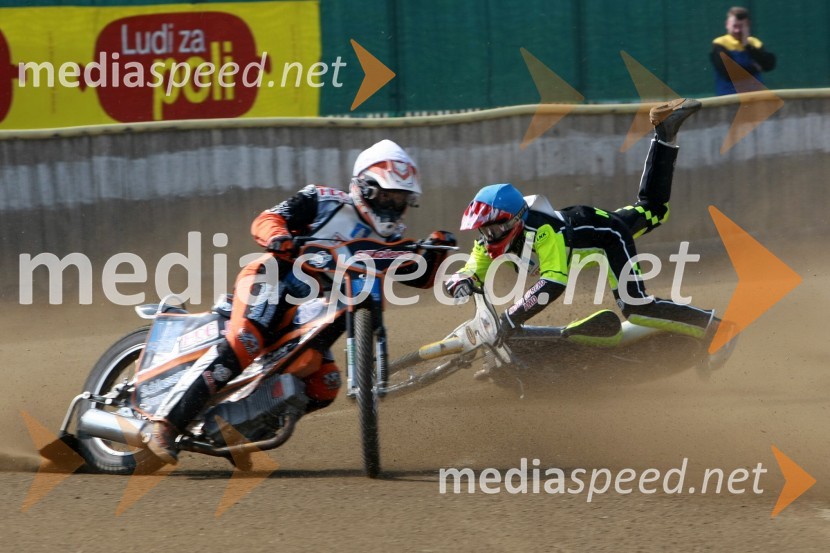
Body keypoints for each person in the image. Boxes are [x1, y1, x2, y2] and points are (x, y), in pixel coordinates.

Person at [148, 140, 456, 464]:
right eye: (387, 196)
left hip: (316, 310)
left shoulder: (391, 241)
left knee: (325, 384)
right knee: (246, 341)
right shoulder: (322, 199)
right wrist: (278, 236)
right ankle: (166, 424)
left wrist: (434, 252)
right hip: (275, 278)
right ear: (365, 188)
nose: (393, 206)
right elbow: (268, 218)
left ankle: (236, 430)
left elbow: (419, 277)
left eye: (401, 199)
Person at [445, 99, 730, 355]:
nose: (489, 238)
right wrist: (461, 280)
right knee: (654, 209)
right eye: (485, 231)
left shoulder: (544, 231)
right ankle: (664, 133)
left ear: (515, 220)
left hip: (607, 237)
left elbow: (552, 283)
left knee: (636, 307)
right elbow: (473, 269)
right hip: (592, 223)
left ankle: (714, 326)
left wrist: (510, 319)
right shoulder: (491, 240)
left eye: (495, 230)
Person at [710, 6, 776, 96]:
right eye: (735, 26)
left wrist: (747, 46)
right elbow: (730, 73)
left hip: (756, 97)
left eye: (741, 26)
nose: (737, 30)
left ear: (748, 25)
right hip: (730, 98)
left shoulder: (754, 43)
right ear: (727, 24)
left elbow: (769, 65)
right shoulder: (720, 44)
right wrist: (755, 68)